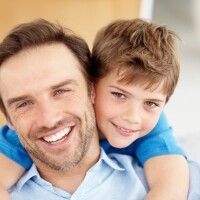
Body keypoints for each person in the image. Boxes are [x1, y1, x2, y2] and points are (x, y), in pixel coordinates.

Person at [0, 19, 199, 200]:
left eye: (61, 91)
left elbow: (170, 186)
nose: (132, 117)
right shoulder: (14, 140)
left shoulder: (155, 133)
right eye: (119, 95)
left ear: (90, 90)